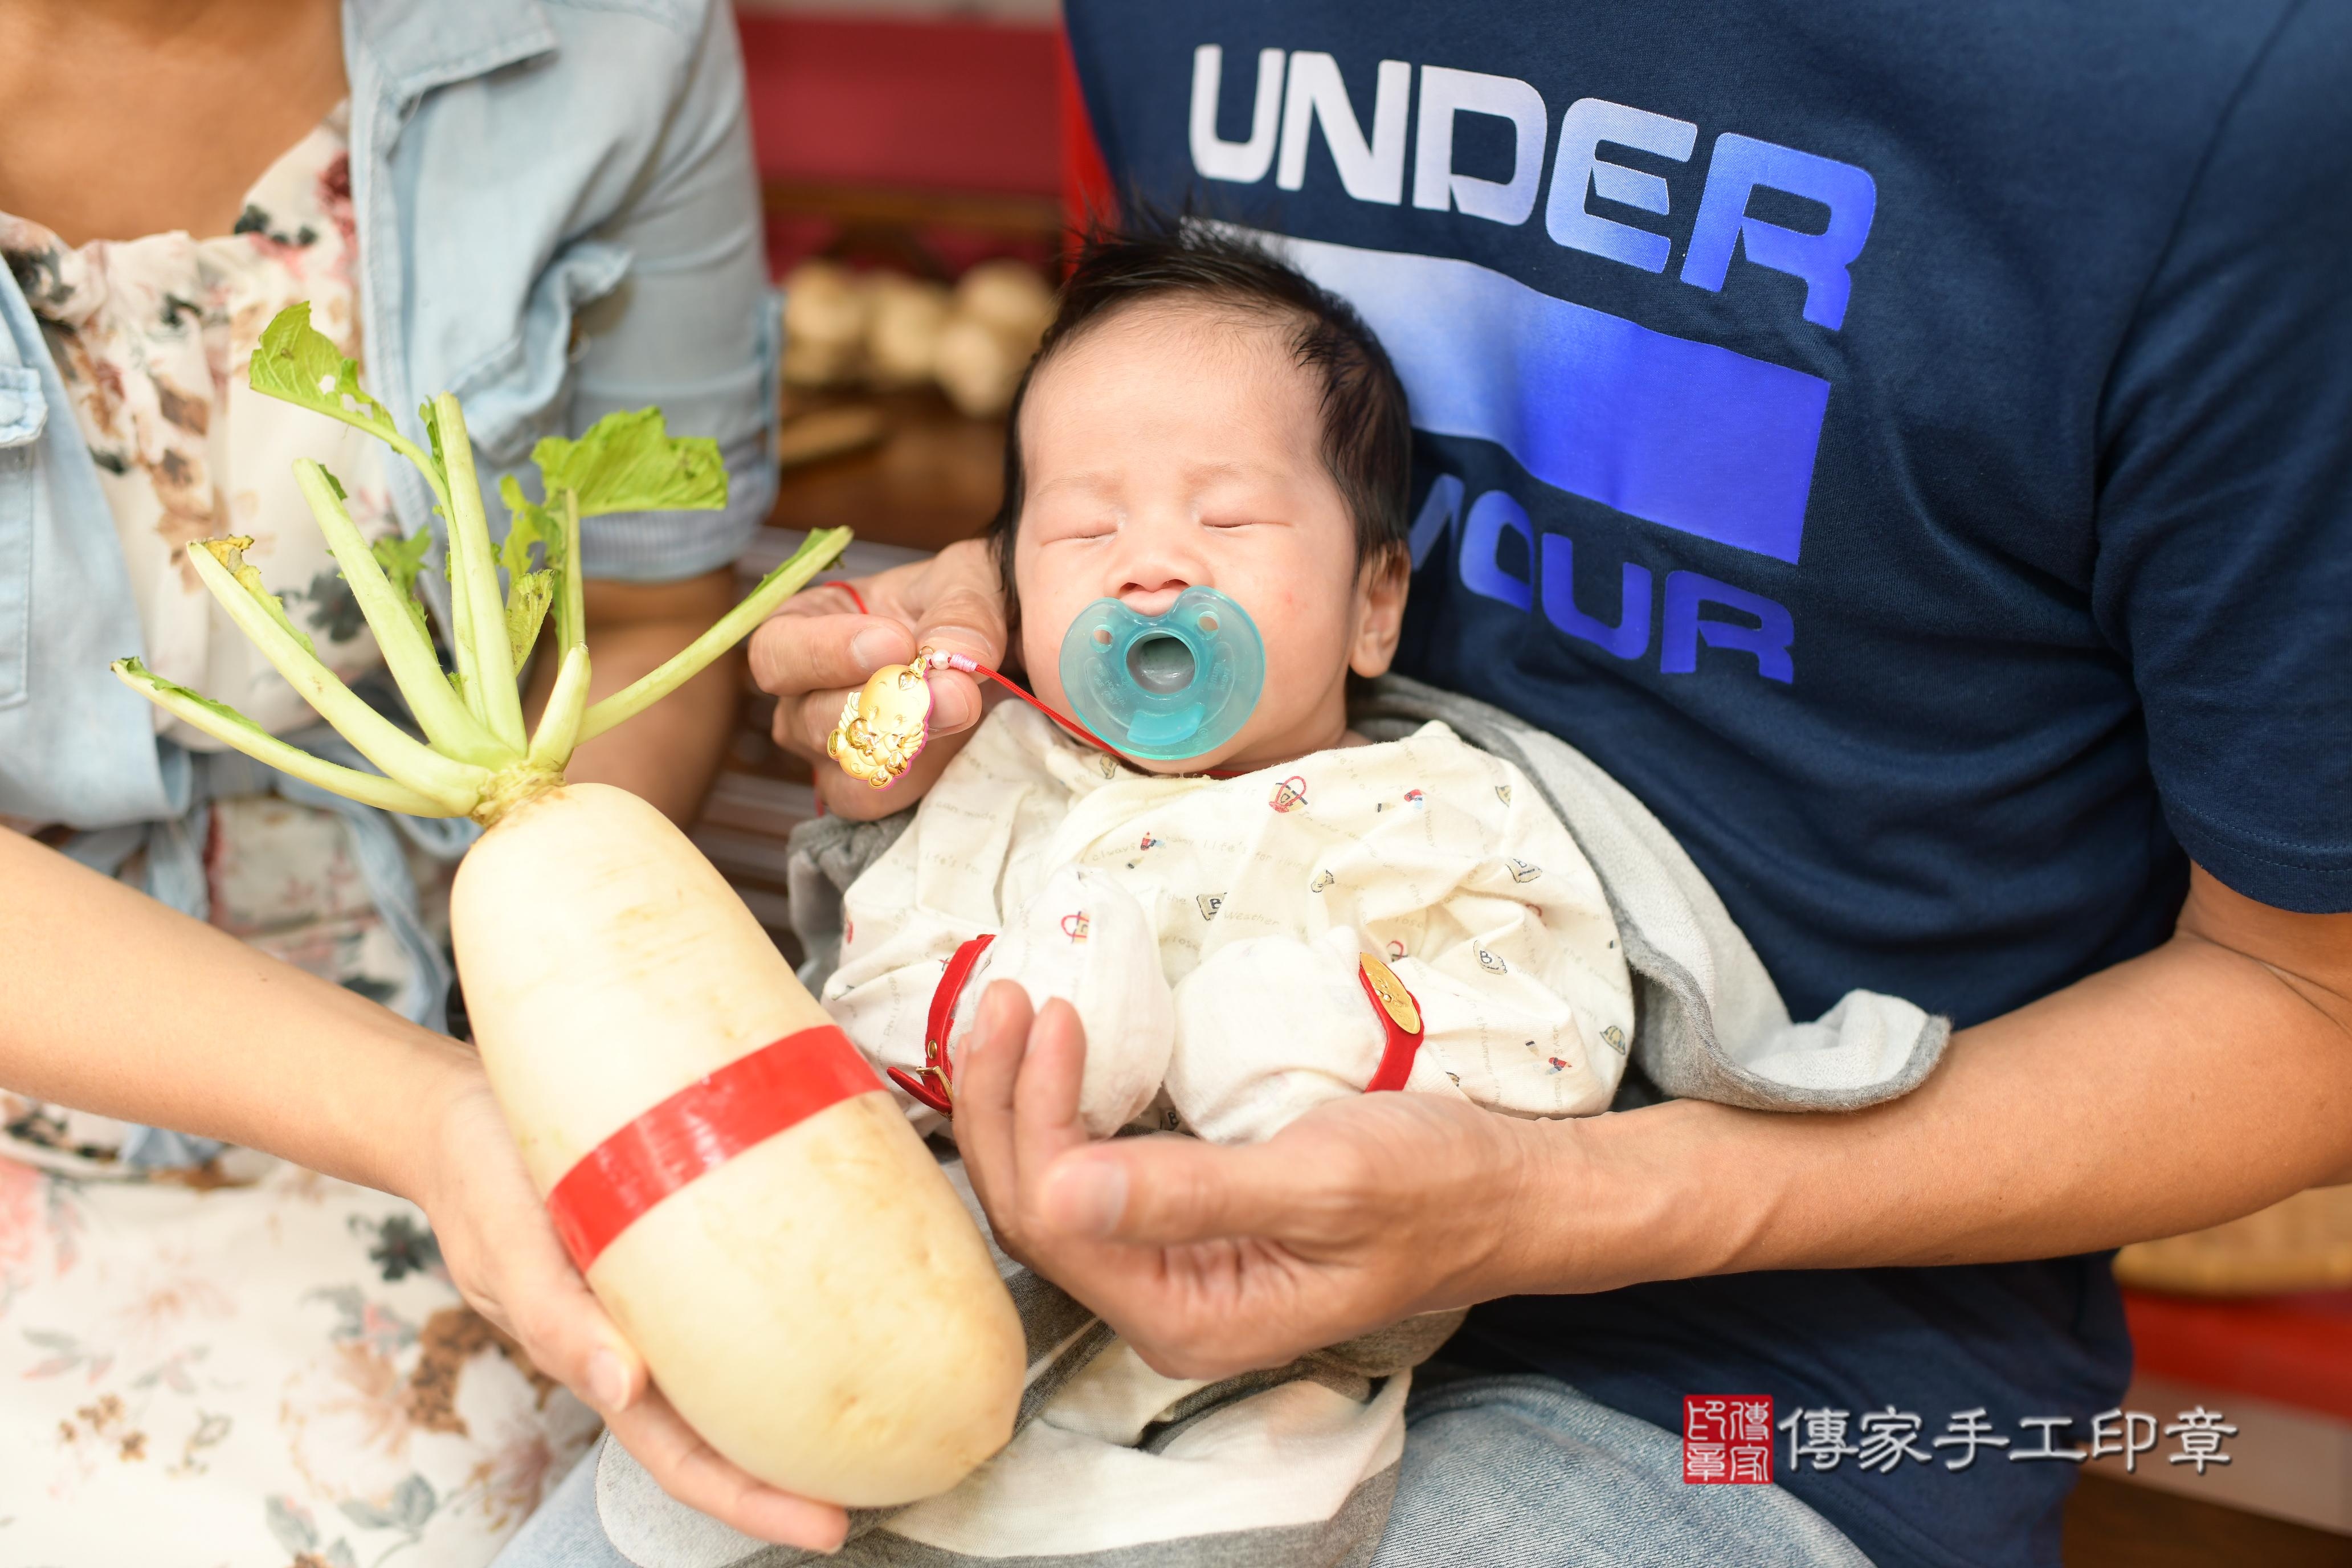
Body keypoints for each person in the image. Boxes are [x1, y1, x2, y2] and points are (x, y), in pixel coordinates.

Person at [504, 1, 2352, 1563]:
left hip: (1750, 1385)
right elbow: (1191, 405)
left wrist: (1558, 1205)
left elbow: (2308, 992)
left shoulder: (2240, 92)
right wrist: (1030, 603)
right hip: (1009, 1271)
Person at [0, 0, 844, 1559]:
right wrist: (436, 1118)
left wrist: (546, 1012)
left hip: (465, 1038)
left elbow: (654, 607)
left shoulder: (616, 39)